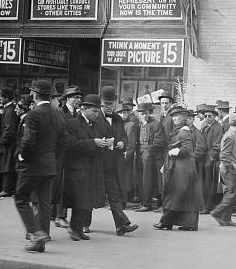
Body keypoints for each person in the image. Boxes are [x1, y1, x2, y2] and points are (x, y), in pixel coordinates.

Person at [13, 80, 67, 252]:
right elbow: (64, 142)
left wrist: (22, 156)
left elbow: (28, 140)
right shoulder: (58, 114)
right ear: (50, 96)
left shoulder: (32, 115)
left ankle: (35, 233)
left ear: (35, 95)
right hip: (50, 166)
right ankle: (41, 242)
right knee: (44, 204)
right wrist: (51, 156)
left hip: (32, 166)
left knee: (21, 198)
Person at [64, 94, 108, 241]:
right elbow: (71, 145)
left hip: (92, 168)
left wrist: (104, 143)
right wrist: (93, 142)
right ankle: (74, 228)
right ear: (84, 109)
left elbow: (96, 142)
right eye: (94, 111)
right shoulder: (72, 124)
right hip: (78, 168)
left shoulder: (97, 124)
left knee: (86, 200)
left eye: (98, 111)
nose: (97, 114)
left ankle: (77, 228)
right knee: (79, 200)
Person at [154, 105, 204, 231]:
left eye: (177, 116)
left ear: (183, 117)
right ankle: (188, 224)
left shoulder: (184, 131)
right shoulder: (181, 130)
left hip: (183, 169)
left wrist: (174, 152)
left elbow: (187, 149)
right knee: (183, 196)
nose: (174, 119)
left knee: (175, 194)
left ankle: (167, 222)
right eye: (173, 116)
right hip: (181, 168)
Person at [97, 86, 139, 236]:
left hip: (113, 164)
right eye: (106, 103)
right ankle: (82, 225)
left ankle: (122, 225)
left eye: (111, 104)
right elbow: (91, 137)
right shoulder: (95, 118)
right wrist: (102, 142)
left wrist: (123, 143)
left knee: (114, 195)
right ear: (101, 102)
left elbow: (124, 136)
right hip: (98, 164)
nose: (109, 107)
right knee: (89, 195)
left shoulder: (118, 118)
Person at [211, 113, 236, 227]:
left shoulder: (234, 135)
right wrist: (228, 168)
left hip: (232, 168)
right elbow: (224, 154)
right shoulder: (230, 136)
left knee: (230, 193)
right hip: (229, 168)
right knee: (231, 193)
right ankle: (217, 212)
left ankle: (226, 219)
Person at [134, 103, 165, 212]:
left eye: (145, 113)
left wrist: (148, 152)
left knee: (147, 179)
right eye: (141, 114)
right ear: (138, 114)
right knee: (141, 179)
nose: (143, 116)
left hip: (151, 155)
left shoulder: (155, 124)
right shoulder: (139, 124)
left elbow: (159, 141)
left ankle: (147, 204)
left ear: (149, 113)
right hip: (140, 154)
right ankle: (143, 202)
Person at [198, 104, 224, 214]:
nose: (207, 118)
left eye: (210, 116)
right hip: (203, 158)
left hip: (211, 160)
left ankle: (207, 206)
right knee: (202, 183)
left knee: (209, 184)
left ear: (214, 116)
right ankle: (202, 204)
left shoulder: (217, 128)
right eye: (206, 116)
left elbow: (217, 145)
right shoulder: (204, 126)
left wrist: (210, 157)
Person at [0, 88, 18, 198]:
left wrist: (3, 142)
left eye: (2, 97)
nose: (0, 99)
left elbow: (9, 129)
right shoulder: (9, 109)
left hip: (8, 144)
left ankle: (6, 189)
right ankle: (7, 189)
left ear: (7, 98)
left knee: (7, 166)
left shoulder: (9, 110)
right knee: (7, 165)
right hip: (9, 143)